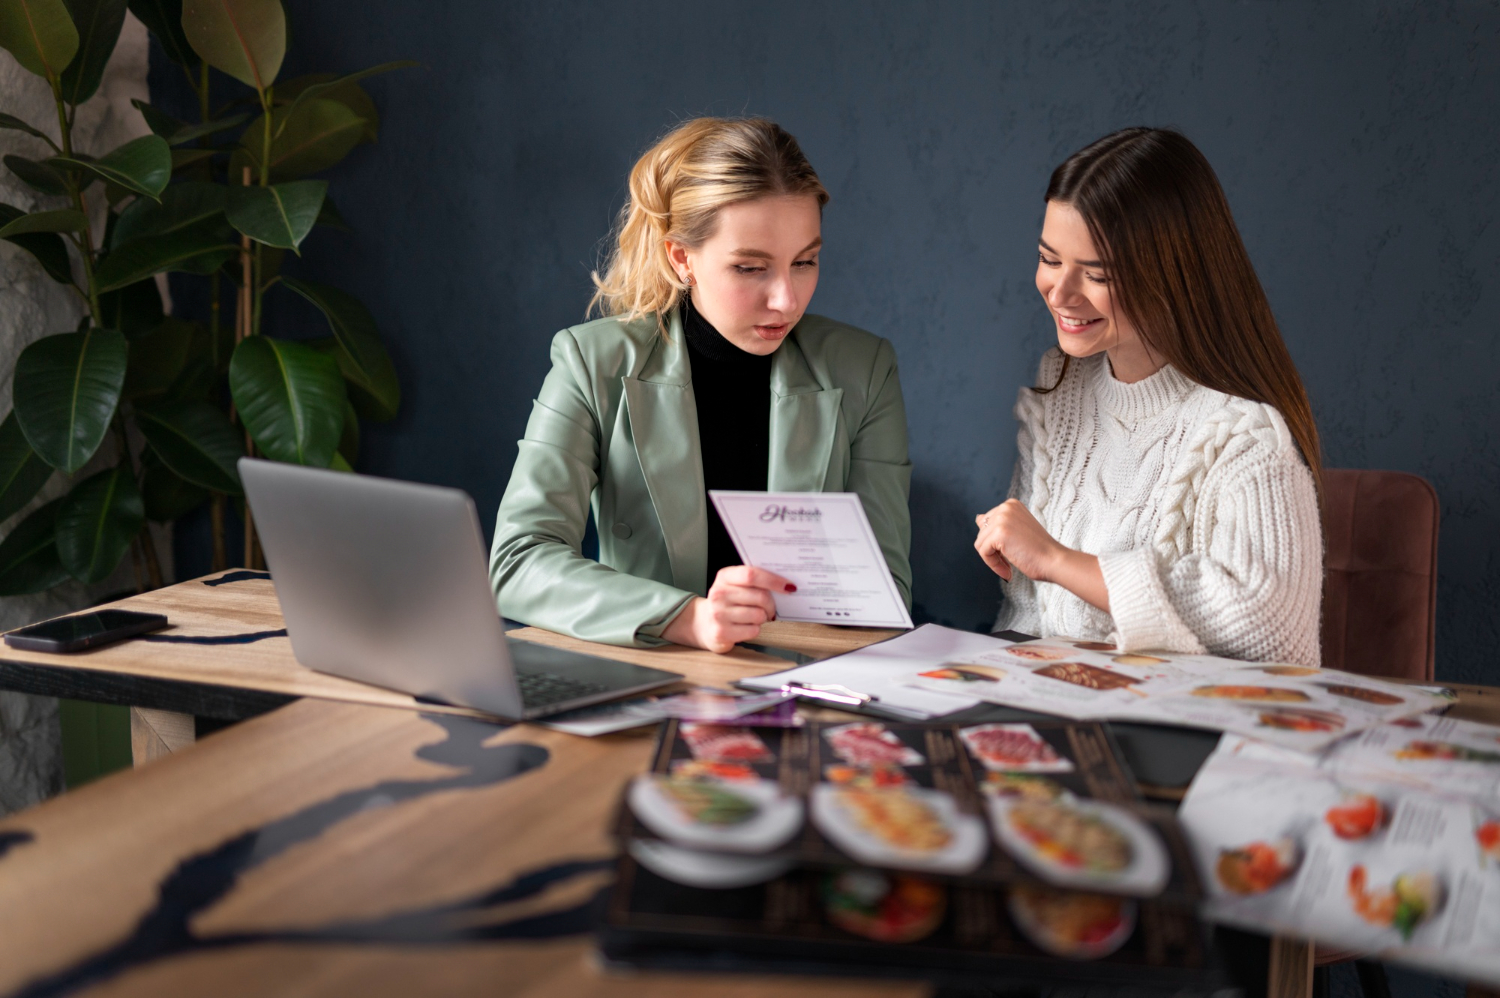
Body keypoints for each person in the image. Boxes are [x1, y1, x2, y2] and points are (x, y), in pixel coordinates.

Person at [491, 117, 912, 653]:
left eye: (805, 261)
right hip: (651, 670)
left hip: (802, 677)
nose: (786, 299)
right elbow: (518, 560)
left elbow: (887, 594)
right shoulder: (591, 362)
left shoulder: (865, 368)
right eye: (751, 268)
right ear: (681, 258)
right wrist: (687, 618)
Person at [976, 127, 1324, 666]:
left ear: (1172, 275)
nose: (1060, 293)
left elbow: (1273, 628)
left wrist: (1055, 559)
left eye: (1096, 273)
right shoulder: (1059, 396)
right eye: (1049, 258)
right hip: (1056, 714)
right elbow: (1027, 616)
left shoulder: (1243, 435)